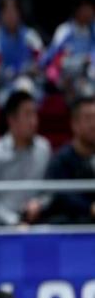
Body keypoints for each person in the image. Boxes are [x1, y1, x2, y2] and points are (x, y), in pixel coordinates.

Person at [0, 91, 52, 225]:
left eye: (35, 114)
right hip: (3, 226)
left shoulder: (44, 149)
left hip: (39, 221)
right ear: (11, 119)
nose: (34, 121)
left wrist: (39, 204)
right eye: (28, 115)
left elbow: (50, 190)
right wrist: (14, 222)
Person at [43, 94, 95, 223]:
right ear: (74, 124)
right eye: (88, 118)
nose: (93, 124)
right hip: (70, 227)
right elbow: (60, 196)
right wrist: (89, 208)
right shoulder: (60, 161)